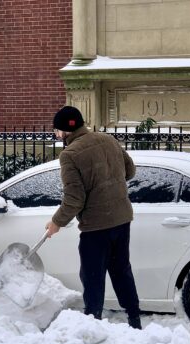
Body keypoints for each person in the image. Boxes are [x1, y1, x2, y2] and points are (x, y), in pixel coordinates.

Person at [45, 106, 142, 329]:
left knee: (93, 278)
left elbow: (74, 198)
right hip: (121, 219)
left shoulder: (69, 155)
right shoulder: (108, 140)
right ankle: (135, 320)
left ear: (65, 131)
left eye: (57, 131)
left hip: (96, 227)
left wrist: (56, 222)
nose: (57, 136)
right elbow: (130, 171)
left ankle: (91, 324)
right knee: (121, 271)